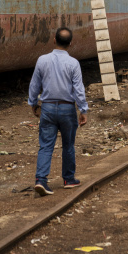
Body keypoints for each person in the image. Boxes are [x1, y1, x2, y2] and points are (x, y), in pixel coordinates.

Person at [28, 27, 88, 196]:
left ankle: (41, 180)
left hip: (47, 107)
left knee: (46, 145)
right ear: (70, 43)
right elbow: (78, 89)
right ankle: (68, 179)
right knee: (68, 145)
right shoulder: (73, 63)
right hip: (67, 108)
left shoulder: (42, 60)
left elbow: (34, 85)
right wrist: (83, 109)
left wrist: (33, 103)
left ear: (54, 40)